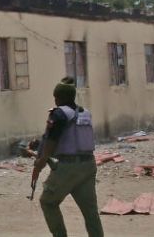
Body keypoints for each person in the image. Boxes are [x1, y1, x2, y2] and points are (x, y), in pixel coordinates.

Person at [34, 77, 104, 237]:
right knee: (90, 212)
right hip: (88, 166)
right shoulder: (84, 113)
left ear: (61, 97)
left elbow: (52, 141)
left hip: (68, 168)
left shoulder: (59, 114)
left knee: (48, 202)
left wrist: (41, 162)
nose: (55, 100)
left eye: (56, 97)